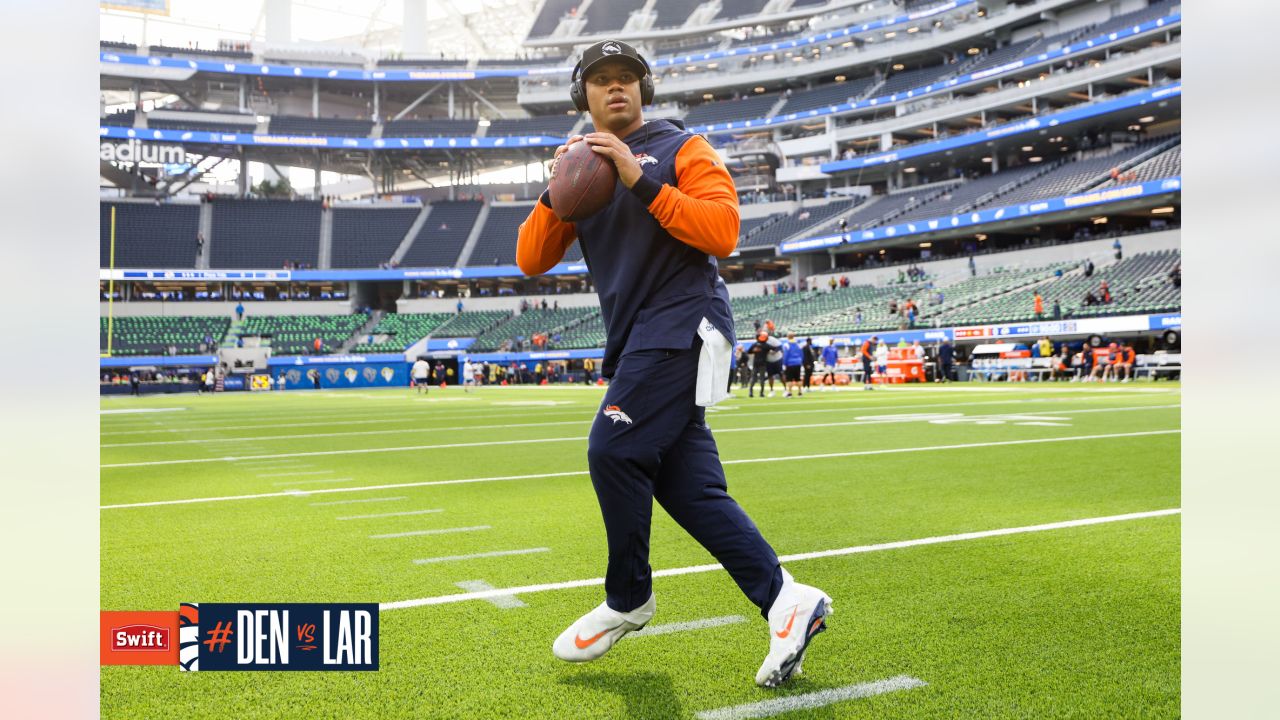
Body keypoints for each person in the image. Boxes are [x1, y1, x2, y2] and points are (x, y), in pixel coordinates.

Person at [516, 40, 829, 687]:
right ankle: (783, 599)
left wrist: (640, 177)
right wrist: (557, 190)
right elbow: (530, 260)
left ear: (644, 87)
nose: (616, 89)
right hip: (642, 339)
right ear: (585, 97)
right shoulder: (584, 165)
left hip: (686, 325)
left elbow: (723, 231)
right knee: (688, 487)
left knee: (613, 449)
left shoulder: (684, 148)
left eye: (626, 78)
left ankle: (628, 597)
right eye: (601, 81)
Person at [781, 331, 804, 398]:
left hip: (790, 363)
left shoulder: (786, 345)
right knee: (798, 378)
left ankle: (790, 393)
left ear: (788, 337)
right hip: (798, 363)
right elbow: (802, 354)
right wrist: (800, 361)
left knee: (789, 379)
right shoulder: (798, 344)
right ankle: (800, 392)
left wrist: (784, 363)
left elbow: (785, 355)